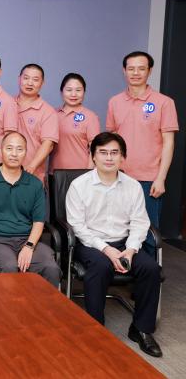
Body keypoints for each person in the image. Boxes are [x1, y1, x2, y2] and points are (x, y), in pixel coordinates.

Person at [65, 132, 162, 357]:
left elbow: (140, 222)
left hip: (124, 243)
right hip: (91, 244)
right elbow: (77, 226)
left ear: (122, 157)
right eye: (103, 153)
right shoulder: (79, 186)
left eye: (114, 153)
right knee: (101, 266)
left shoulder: (133, 186)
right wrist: (107, 250)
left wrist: (130, 249)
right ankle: (96, 329)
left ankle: (141, 329)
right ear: (93, 157)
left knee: (150, 269)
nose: (109, 158)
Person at [0, 131, 61, 287]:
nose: (14, 154)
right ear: (1, 150)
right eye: (9, 148)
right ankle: (13, 304)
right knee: (10, 267)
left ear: (25, 152)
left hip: (26, 239)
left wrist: (29, 246)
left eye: (19, 149)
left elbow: (38, 222)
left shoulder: (35, 184)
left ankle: (43, 304)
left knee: (51, 268)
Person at [106, 51, 178, 253]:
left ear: (149, 71)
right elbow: (111, 139)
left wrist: (161, 178)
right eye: (131, 68)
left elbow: (169, 143)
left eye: (141, 68)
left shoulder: (164, 102)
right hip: (118, 176)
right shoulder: (115, 102)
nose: (135, 73)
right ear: (124, 71)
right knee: (116, 229)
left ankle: (148, 271)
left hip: (149, 180)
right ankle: (122, 266)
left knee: (147, 233)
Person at [15, 63, 59, 183]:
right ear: (19, 79)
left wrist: (31, 167)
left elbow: (48, 144)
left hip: (32, 175)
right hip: (4, 173)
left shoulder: (48, 111)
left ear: (42, 83)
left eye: (35, 80)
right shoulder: (8, 104)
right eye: (26, 78)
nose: (30, 83)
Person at [49, 73, 100, 173]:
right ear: (61, 92)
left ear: (84, 92)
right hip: (55, 173)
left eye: (78, 90)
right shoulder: (52, 114)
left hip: (81, 173)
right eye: (69, 90)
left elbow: (95, 148)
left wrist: (88, 173)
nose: (73, 94)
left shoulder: (90, 116)